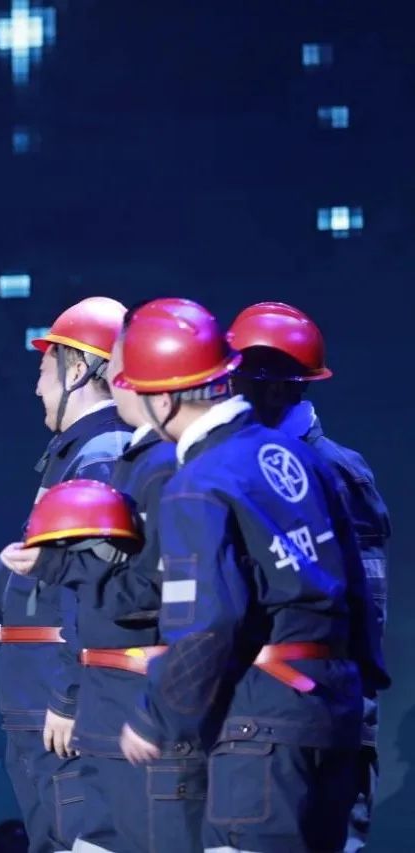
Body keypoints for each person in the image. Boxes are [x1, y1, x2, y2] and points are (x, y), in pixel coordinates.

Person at [117, 298, 389, 853]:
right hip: (333, 715)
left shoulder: (198, 482)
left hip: (259, 728)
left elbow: (209, 621)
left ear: (163, 399)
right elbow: (359, 589)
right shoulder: (307, 458)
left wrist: (156, 714)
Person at [0, 297, 132, 852]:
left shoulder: (99, 457)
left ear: (78, 370)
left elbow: (91, 591)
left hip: (62, 706)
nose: (35, 387)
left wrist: (71, 697)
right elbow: (42, 578)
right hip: (43, 702)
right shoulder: (75, 455)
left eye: (43, 369)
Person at [227, 301, 391, 851]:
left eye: (235, 382)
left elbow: (365, 605)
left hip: (315, 714)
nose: (222, 395)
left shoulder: (332, 471)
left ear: (277, 388)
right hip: (263, 716)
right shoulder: (245, 466)